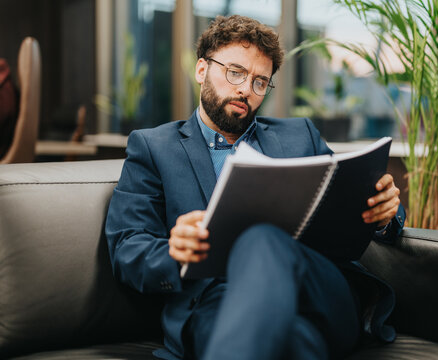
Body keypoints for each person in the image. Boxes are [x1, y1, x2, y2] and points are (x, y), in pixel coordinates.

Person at [106, 14, 405, 360]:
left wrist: (385, 213)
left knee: (262, 238)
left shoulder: (300, 136)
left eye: (260, 82)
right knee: (295, 341)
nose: (246, 89)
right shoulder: (153, 147)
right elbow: (127, 248)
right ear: (202, 70)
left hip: (318, 290)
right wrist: (174, 253)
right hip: (216, 300)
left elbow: (352, 194)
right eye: (235, 72)